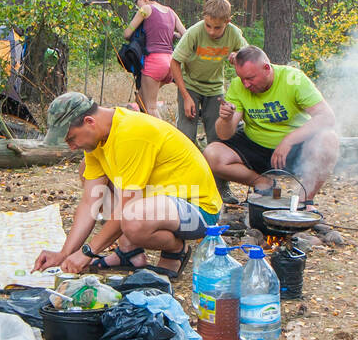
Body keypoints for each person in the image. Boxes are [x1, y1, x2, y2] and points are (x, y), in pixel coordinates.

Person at [32, 92, 221, 278]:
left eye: (71, 139)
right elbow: (90, 202)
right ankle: (129, 253)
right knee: (87, 171)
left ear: (90, 121)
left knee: (134, 219)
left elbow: (127, 208)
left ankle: (175, 250)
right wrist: (64, 253)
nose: (71, 146)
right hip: (162, 203)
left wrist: (87, 252)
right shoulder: (97, 140)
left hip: (199, 210)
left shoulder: (130, 134)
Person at [203, 45, 340, 209]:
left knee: (329, 140)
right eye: (242, 79)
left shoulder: (292, 79)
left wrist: (289, 140)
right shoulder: (238, 86)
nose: (246, 84)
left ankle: (305, 200)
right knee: (212, 154)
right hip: (256, 146)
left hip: (294, 149)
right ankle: (264, 184)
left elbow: (327, 117)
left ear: (266, 68)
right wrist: (226, 119)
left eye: (250, 78)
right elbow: (224, 135)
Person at [170, 0, 247, 149]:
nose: (211, 31)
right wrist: (185, 96)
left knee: (217, 136)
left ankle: (214, 170)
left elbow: (249, 55)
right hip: (190, 86)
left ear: (228, 22)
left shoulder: (234, 33)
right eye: (208, 25)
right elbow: (174, 62)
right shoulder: (194, 32)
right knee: (186, 135)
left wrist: (238, 55)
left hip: (215, 89)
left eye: (217, 27)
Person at [122, 0, 183, 118]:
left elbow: (127, 34)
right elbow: (184, 34)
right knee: (141, 98)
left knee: (151, 107)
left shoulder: (145, 9)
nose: (137, 6)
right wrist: (171, 34)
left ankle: (162, 136)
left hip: (154, 62)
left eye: (136, 2)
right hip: (170, 63)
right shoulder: (171, 12)